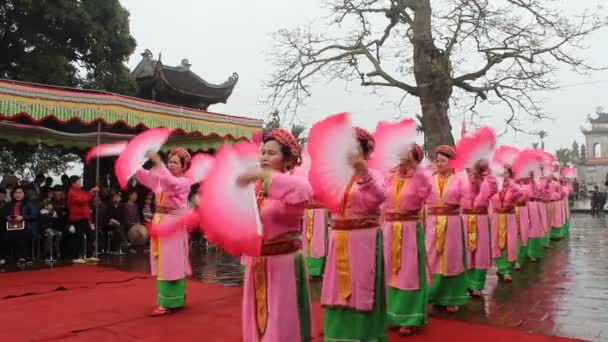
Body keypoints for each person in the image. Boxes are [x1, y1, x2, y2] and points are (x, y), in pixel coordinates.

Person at [235, 129, 312, 341]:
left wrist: (265, 175)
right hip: (258, 261)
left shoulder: (295, 181)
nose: (264, 157)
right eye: (263, 152)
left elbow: (304, 191)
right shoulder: (256, 187)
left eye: (271, 153)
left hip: (283, 264)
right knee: (257, 316)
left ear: (287, 159)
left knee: (281, 317)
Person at [321, 127, 388, 341]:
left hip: (363, 241)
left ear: (365, 151)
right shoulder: (338, 176)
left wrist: (364, 174)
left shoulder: (375, 174)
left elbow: (380, 197)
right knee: (336, 288)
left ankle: (364, 334)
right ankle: (337, 333)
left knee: (362, 288)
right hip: (338, 238)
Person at [135, 148, 195, 317]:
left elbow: (171, 183)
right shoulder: (163, 180)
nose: (171, 165)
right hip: (160, 224)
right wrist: (134, 162)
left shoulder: (184, 182)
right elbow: (144, 176)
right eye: (170, 162)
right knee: (162, 261)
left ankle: (168, 302)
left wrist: (157, 161)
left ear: (184, 166)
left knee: (170, 263)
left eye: (176, 162)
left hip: (172, 226)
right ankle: (172, 300)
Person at [382, 144, 431, 336]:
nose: (403, 159)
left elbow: (426, 191)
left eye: (408, 157)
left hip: (409, 230)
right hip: (388, 229)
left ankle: (409, 318)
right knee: (387, 271)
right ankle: (389, 314)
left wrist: (416, 169)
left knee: (408, 273)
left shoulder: (419, 178)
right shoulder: (390, 176)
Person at [425, 145, 468, 313]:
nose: (439, 163)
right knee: (432, 256)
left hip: (452, 223)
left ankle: (452, 298)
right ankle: (431, 295)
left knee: (452, 258)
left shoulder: (460, 179)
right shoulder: (430, 178)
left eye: (443, 161)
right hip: (433, 222)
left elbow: (469, 195)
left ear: (451, 162)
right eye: (437, 160)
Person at [461, 161, 497, 297]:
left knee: (480, 252)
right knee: (466, 253)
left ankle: (477, 284)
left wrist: (487, 172)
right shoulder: (461, 181)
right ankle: (466, 283)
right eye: (469, 170)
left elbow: (493, 188)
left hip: (480, 219)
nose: (471, 173)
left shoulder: (486, 182)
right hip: (464, 219)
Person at [490, 166, 522, 282]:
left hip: (509, 217)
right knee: (498, 243)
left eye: (506, 173)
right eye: (502, 173)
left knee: (510, 242)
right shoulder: (494, 186)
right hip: (497, 218)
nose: (504, 175)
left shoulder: (513, 187)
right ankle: (500, 268)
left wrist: (511, 183)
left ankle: (507, 270)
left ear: (510, 174)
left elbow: (521, 193)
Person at [0, 186, 38, 267]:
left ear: (24, 194)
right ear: (13, 194)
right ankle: (3, 257)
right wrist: (7, 217)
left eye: (20, 193)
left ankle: (22, 257)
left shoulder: (29, 204)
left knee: (19, 233)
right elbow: (2, 215)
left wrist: (23, 217)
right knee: (4, 234)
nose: (18, 195)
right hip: (10, 226)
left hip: (27, 227)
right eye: (16, 193)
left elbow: (35, 215)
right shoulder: (8, 204)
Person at [67, 176, 99, 263]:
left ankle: (89, 255)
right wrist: (91, 192)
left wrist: (92, 191)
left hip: (84, 217)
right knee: (78, 237)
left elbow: (86, 196)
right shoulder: (71, 192)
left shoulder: (79, 191)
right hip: (77, 217)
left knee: (90, 236)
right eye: (78, 181)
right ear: (73, 183)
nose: (80, 183)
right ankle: (75, 257)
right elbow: (82, 199)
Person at [301, 199, 329, 277]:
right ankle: (311, 270)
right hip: (312, 211)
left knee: (319, 240)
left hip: (318, 210)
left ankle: (319, 269)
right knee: (313, 239)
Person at [514, 174, 532, 271]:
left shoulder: (527, 187)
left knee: (523, 234)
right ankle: (512, 261)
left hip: (523, 210)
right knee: (512, 236)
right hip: (512, 211)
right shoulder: (508, 185)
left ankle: (519, 260)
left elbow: (529, 195)